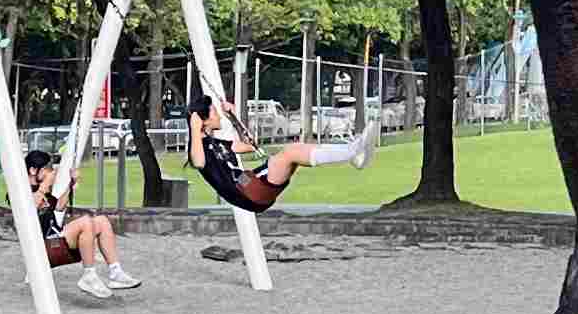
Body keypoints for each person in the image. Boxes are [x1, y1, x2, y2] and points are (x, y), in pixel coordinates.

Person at [181, 94, 376, 214]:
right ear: (203, 121)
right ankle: (352, 151)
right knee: (290, 153)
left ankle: (352, 154)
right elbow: (198, 162)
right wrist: (194, 126)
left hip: (251, 184)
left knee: (295, 149)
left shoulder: (219, 143)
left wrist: (234, 116)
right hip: (248, 193)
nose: (218, 115)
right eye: (214, 112)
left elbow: (251, 145)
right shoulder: (199, 149)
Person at [22, 148, 140, 298]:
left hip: (55, 240)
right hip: (40, 250)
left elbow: (59, 207)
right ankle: (88, 275)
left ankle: (115, 272)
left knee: (101, 221)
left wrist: (72, 183)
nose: (51, 173)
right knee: (85, 222)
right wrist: (45, 185)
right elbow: (29, 207)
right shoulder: (20, 193)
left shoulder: (46, 193)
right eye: (47, 169)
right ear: (33, 170)